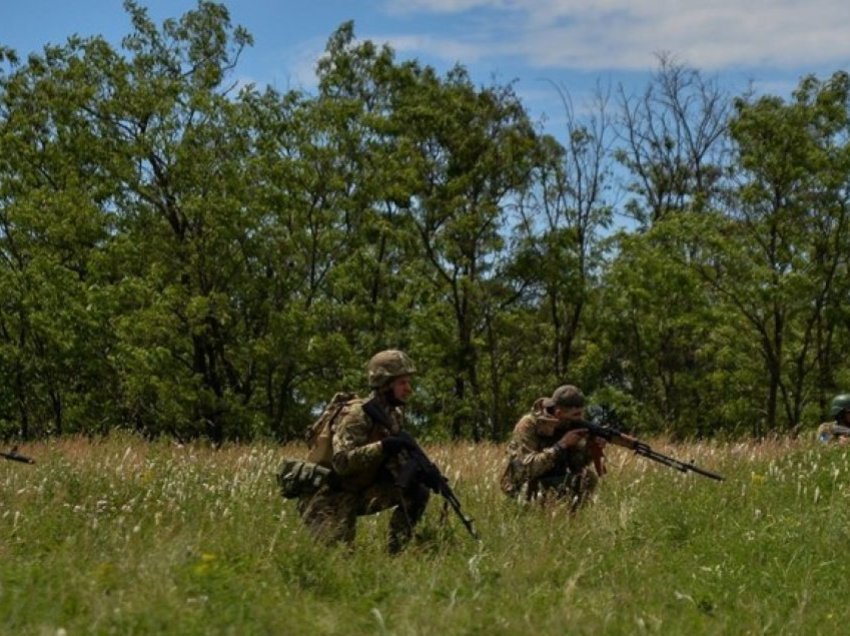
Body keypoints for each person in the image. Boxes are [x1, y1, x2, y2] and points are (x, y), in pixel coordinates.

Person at [298, 349, 430, 553]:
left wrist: (417, 471)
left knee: (417, 491)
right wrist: (382, 447)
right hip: (327, 497)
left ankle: (395, 555)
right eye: (402, 383)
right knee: (339, 560)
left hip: (357, 491)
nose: (409, 389)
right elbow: (341, 463)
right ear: (385, 384)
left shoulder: (393, 414)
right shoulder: (357, 414)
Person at [500, 384, 605, 510]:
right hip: (524, 486)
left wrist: (590, 448)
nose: (578, 421)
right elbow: (525, 469)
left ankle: (573, 520)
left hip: (552, 480)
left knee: (587, 477)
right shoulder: (529, 425)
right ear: (559, 413)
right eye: (574, 416)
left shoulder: (569, 425)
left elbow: (576, 465)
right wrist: (561, 446)